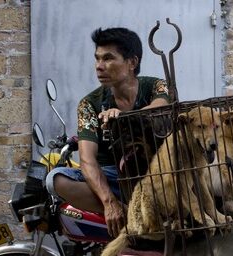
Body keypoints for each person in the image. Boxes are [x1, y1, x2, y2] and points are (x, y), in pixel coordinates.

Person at [46, 27, 170, 238]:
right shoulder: (89, 104)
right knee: (55, 179)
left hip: (155, 171)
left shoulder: (156, 86)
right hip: (114, 178)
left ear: (132, 62)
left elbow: (160, 107)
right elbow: (87, 159)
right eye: (97, 59)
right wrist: (108, 202)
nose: (99, 66)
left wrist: (123, 117)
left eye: (108, 58)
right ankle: (127, 215)